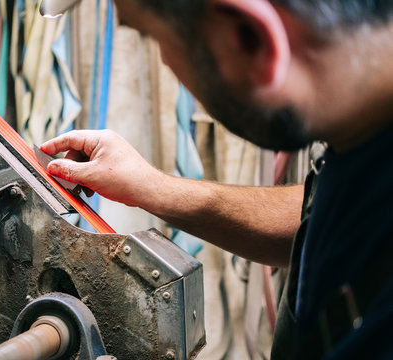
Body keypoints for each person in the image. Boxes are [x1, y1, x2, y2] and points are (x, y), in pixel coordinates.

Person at [41, 0, 393, 358]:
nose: (165, 60)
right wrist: (153, 187)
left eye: (152, 36)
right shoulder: (364, 138)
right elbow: (315, 216)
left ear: (249, 37)